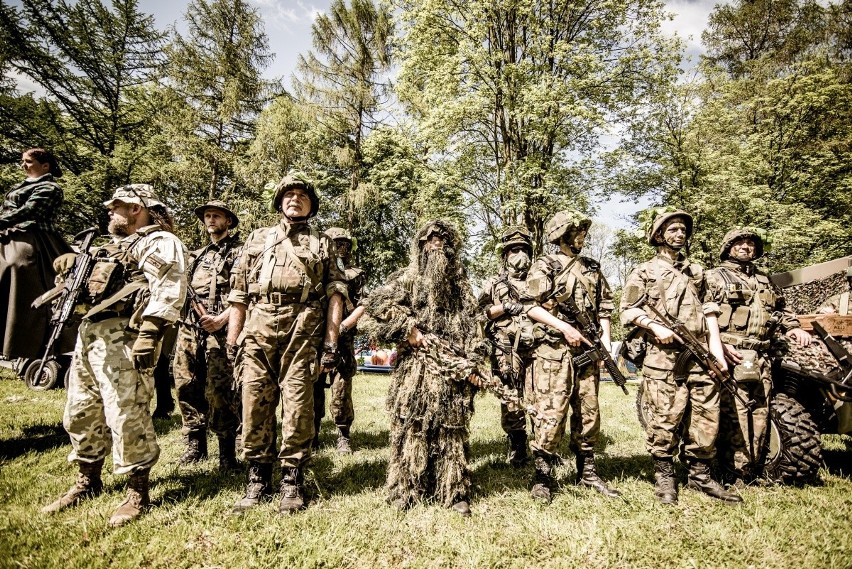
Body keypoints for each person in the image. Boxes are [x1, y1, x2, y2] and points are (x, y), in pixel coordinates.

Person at [41, 184, 187, 526]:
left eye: (117, 206)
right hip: (89, 335)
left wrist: (150, 333)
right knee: (79, 411)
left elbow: (169, 286)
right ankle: (88, 480)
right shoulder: (109, 247)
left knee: (126, 413)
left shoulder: (159, 242)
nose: (110, 211)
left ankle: (138, 491)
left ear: (137, 209)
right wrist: (73, 265)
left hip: (126, 337)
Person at [228, 173, 346, 514]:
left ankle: (292, 481)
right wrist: (233, 339)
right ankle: (257, 478)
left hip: (302, 328)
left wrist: (330, 343)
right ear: (279, 201)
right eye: (289, 194)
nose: (295, 199)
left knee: (298, 404)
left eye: (302, 195)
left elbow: (336, 296)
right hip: (258, 325)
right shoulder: (256, 239)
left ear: (312, 205)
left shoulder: (323, 244)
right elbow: (238, 294)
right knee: (254, 402)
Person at [619, 207, 742, 505]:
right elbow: (628, 310)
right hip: (663, 355)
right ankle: (665, 477)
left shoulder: (697, 271)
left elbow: (711, 311)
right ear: (659, 234)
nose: (680, 234)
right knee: (665, 415)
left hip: (699, 353)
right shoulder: (645, 271)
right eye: (673, 229)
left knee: (706, 414)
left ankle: (700, 475)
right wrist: (653, 326)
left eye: (683, 230)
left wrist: (717, 352)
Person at [363, 220, 480, 516]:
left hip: (453, 366)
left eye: (441, 238)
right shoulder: (406, 279)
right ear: (420, 245)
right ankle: (406, 488)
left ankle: (454, 490)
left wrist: (474, 362)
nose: (435, 242)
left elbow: (476, 325)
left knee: (451, 429)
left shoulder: (461, 285)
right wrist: (408, 328)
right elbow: (376, 304)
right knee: (411, 424)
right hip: (415, 366)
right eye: (428, 238)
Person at [524, 210, 620, 502]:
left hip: (587, 351)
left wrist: (604, 341)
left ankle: (587, 472)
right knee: (550, 413)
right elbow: (530, 306)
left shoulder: (592, 267)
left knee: (589, 412)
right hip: (554, 353)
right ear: (562, 235)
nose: (582, 238)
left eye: (584, 234)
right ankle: (542, 476)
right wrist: (564, 327)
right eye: (577, 233)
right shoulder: (545, 265)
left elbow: (604, 307)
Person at [706, 227, 811, 484]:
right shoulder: (713, 277)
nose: (745, 247)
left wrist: (793, 326)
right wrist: (718, 345)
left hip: (760, 356)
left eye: (750, 244)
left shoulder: (764, 280)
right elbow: (701, 316)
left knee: (761, 412)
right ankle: (733, 471)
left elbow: (780, 309)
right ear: (728, 247)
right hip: (731, 354)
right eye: (739, 243)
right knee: (735, 414)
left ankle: (756, 467)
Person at [173, 200, 243, 470]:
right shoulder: (195, 256)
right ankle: (195, 445)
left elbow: (245, 294)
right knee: (186, 386)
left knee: (220, 391)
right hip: (190, 329)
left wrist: (221, 319)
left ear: (228, 221)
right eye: (207, 216)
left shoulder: (239, 252)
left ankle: (227, 454)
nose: (211, 220)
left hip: (221, 330)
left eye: (217, 216)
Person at [0, 148, 71, 360]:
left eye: (28, 161)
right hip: (7, 236)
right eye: (22, 161)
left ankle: (31, 346)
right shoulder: (21, 185)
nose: (23, 165)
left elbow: (29, 212)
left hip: (34, 240)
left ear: (45, 166)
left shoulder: (50, 188)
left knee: (18, 268)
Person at [477, 226, 536, 467]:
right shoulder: (493, 283)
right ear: (505, 255)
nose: (518, 254)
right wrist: (503, 308)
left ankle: (544, 446)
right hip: (506, 349)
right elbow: (478, 314)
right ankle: (518, 445)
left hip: (537, 346)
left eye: (523, 249)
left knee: (540, 395)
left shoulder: (539, 281)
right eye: (513, 250)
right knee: (511, 396)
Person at [313, 227, 366, 454]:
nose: (340, 247)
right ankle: (311, 435)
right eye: (335, 242)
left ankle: (343, 435)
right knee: (311, 388)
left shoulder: (355, 274)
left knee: (341, 389)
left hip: (343, 339)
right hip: (314, 337)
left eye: (344, 242)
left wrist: (344, 326)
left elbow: (364, 304)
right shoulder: (315, 269)